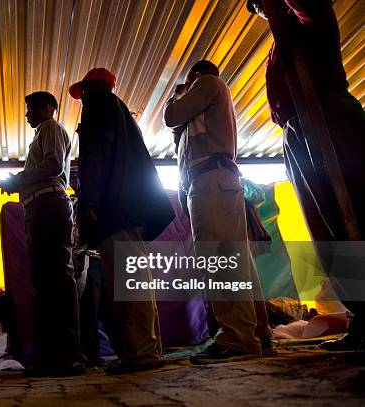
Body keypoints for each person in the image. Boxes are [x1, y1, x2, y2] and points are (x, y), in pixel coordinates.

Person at [247, 0, 365, 351]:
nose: (262, 9)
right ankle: (360, 316)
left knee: (352, 217)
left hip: (326, 116)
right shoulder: (281, 38)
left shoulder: (310, 17)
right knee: (325, 225)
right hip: (300, 126)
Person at [163, 60, 271, 364]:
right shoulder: (205, 112)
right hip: (216, 181)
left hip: (209, 181)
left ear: (195, 76)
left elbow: (171, 116)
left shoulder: (207, 83)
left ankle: (237, 337)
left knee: (219, 259)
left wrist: (175, 94)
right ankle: (259, 332)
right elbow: (179, 132)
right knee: (237, 260)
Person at [69, 68, 175, 375]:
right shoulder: (123, 115)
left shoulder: (98, 107)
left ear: (95, 87)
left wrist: (88, 203)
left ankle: (141, 354)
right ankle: (147, 348)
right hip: (132, 210)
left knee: (130, 285)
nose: (83, 99)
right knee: (138, 281)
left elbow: (95, 157)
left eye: (85, 92)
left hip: (115, 210)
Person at [0, 91, 86, 376]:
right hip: (40, 206)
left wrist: (18, 179)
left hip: (49, 205)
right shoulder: (43, 133)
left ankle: (68, 356)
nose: (27, 115)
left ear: (48, 108)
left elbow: (53, 166)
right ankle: (53, 356)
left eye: (30, 108)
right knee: (48, 282)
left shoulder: (50, 128)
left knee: (56, 280)